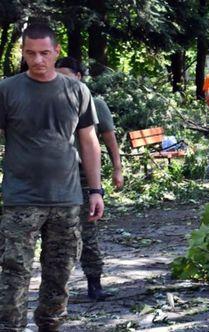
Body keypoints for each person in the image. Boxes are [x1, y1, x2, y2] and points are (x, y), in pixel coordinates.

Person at [0, 23, 103, 331]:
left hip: (67, 199)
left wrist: (96, 190)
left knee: (59, 271)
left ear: (57, 52)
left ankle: (51, 324)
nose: (38, 60)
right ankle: (10, 327)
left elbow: (89, 141)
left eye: (45, 53)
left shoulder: (76, 90)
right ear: (23, 52)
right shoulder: (7, 90)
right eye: (30, 53)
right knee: (14, 271)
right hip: (21, 199)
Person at [56, 56, 124, 301]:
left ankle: (94, 284)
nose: (61, 80)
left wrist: (117, 168)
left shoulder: (94, 103)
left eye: (66, 75)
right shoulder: (49, 103)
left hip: (84, 180)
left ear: (78, 77)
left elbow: (109, 139)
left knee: (88, 233)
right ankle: (55, 289)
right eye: (58, 74)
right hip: (54, 181)